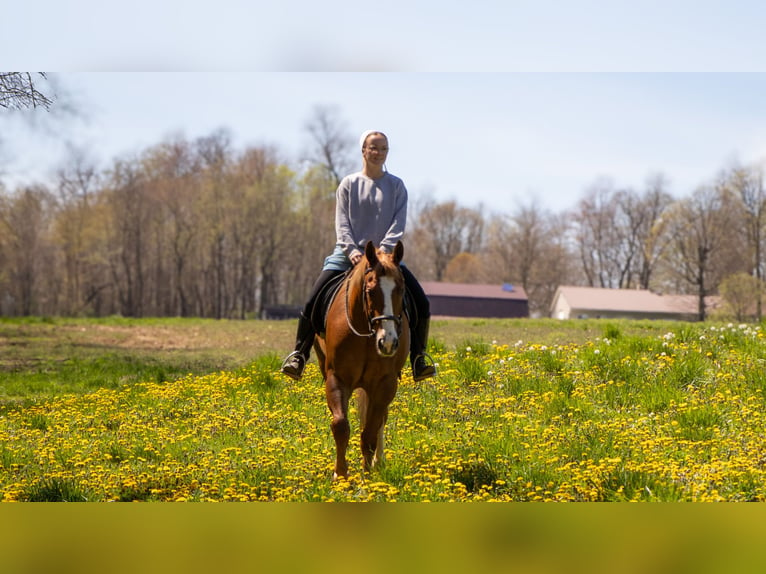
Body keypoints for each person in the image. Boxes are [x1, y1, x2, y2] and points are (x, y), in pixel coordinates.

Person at [280, 130, 436, 382]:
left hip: (385, 258)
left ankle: (419, 358)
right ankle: (299, 354)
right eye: (373, 148)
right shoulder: (349, 184)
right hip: (347, 255)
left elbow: (398, 223)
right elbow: (342, 223)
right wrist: (352, 250)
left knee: (422, 302)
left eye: (383, 148)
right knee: (311, 302)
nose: (378, 153)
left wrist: (383, 251)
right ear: (363, 150)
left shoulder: (396, 186)